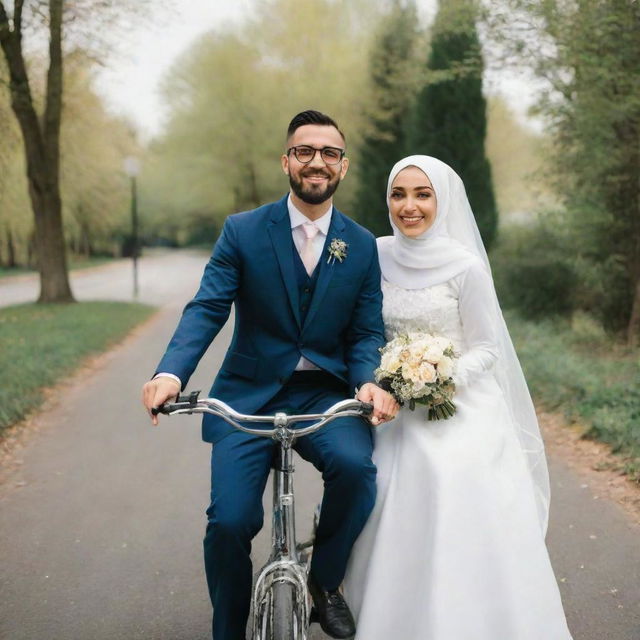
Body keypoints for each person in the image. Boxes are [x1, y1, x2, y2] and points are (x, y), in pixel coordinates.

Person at [142, 109, 398, 640]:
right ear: (287, 160)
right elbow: (208, 307)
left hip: (325, 395)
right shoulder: (243, 231)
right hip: (248, 396)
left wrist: (369, 380)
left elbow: (366, 330)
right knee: (230, 522)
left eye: (329, 153)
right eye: (305, 151)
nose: (316, 162)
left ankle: (325, 583)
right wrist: (170, 372)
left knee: (356, 472)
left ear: (343, 167)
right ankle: (228, 630)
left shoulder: (362, 245)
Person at [343, 155, 573, 639]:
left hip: (456, 402)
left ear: (441, 200)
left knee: (445, 475)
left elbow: (488, 347)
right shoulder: (373, 254)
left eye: (422, 194)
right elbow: (359, 328)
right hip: (389, 406)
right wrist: (390, 382)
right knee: (369, 481)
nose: (409, 206)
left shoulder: (465, 266)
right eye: (398, 194)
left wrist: (437, 378)